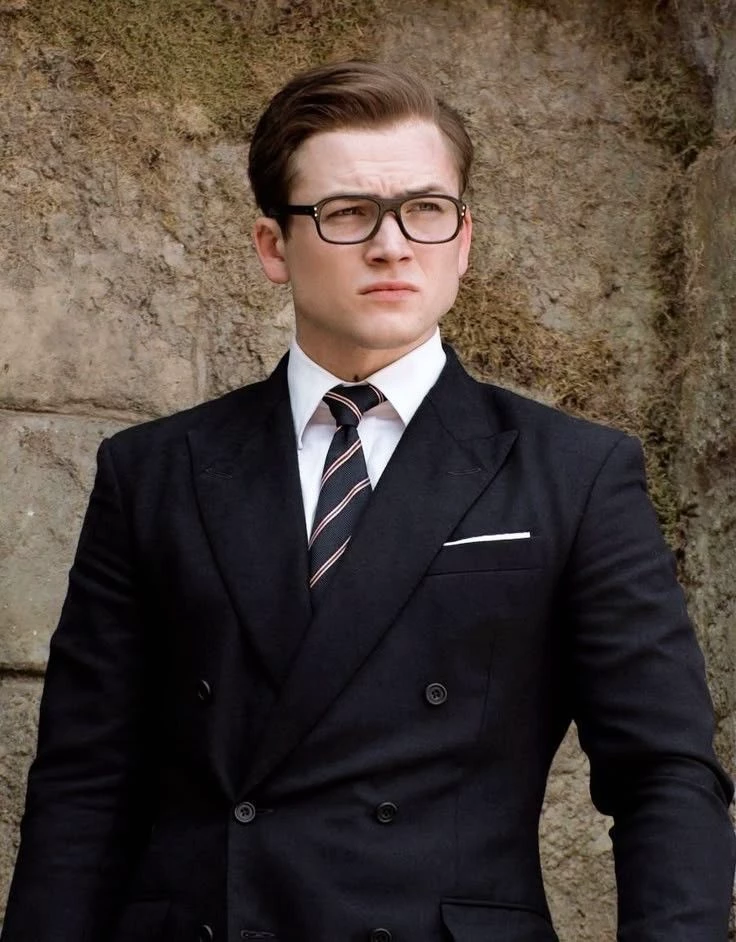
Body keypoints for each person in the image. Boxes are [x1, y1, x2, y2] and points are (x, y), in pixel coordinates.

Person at [2, 60, 734, 942]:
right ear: (273, 246)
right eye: (347, 213)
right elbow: (84, 783)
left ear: (463, 239)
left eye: (425, 209)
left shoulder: (575, 473)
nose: (392, 245)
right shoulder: (153, 471)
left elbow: (663, 774)